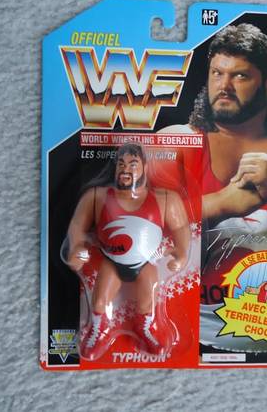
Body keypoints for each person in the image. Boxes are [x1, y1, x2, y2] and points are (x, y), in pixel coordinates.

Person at [160, 23, 267, 359]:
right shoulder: (177, 141)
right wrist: (220, 204)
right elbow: (129, 223)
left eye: (239, 76)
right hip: (183, 336)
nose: (224, 86)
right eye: (217, 73)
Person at [66, 143, 190, 360]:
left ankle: (146, 329)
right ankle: (98, 330)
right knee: (99, 302)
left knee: (147, 301)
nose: (126, 170)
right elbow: (77, 225)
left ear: (145, 168)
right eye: (121, 164)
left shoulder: (165, 199)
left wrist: (181, 253)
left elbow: (180, 227)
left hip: (145, 263)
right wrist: (76, 247)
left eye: (133, 164)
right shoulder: (97, 196)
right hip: (111, 262)